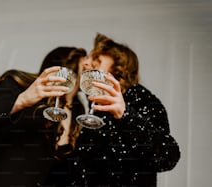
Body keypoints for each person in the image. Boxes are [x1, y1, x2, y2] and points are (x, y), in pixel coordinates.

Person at [0, 46, 87, 187]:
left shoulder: (79, 113)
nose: (89, 65)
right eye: (86, 60)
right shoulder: (18, 83)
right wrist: (20, 101)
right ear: (68, 62)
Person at [61, 33, 181, 186]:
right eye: (88, 58)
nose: (86, 63)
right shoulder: (95, 111)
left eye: (96, 61)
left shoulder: (141, 98)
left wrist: (125, 115)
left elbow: (168, 157)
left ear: (118, 72)